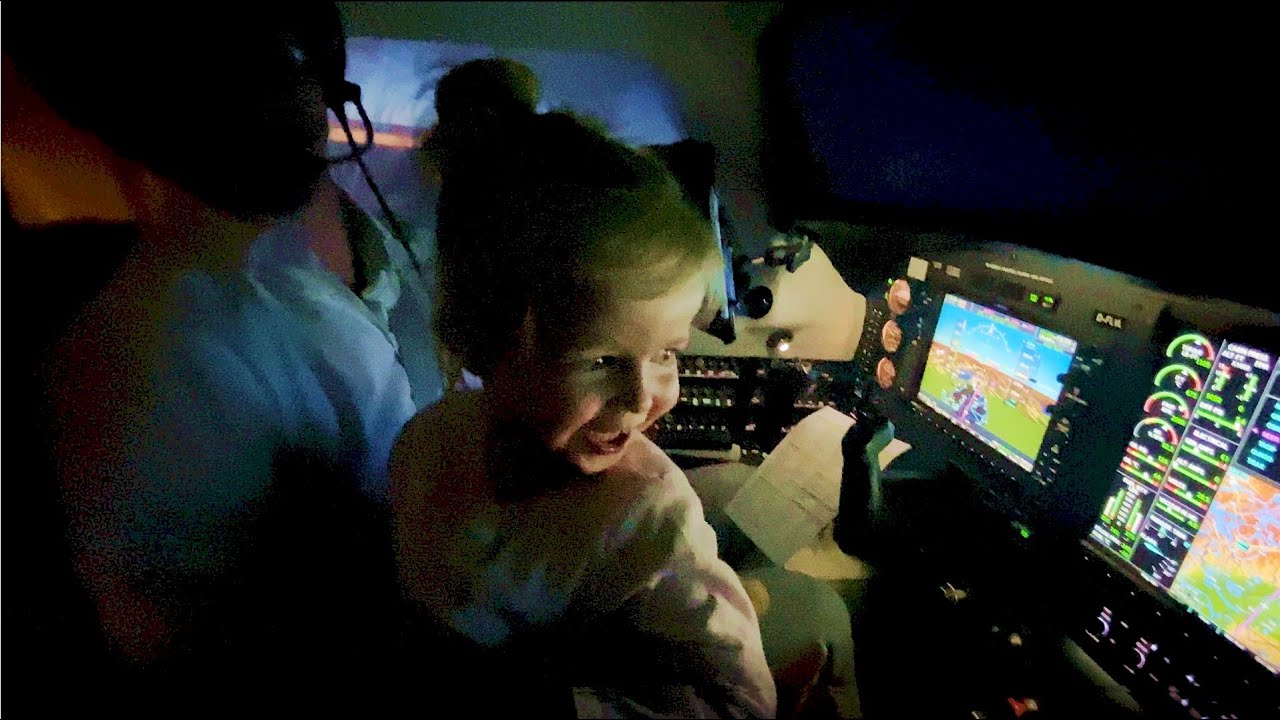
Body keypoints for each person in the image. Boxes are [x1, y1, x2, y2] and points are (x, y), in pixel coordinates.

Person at [5, 3, 445, 703]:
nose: (287, 107)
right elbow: (174, 647)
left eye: (292, 66)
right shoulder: (157, 356)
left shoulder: (318, 258)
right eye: (246, 74)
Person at [391, 102, 777, 716]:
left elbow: (741, 702)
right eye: (601, 361)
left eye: (668, 355)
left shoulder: (655, 515)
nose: (642, 398)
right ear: (482, 345)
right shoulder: (425, 444)